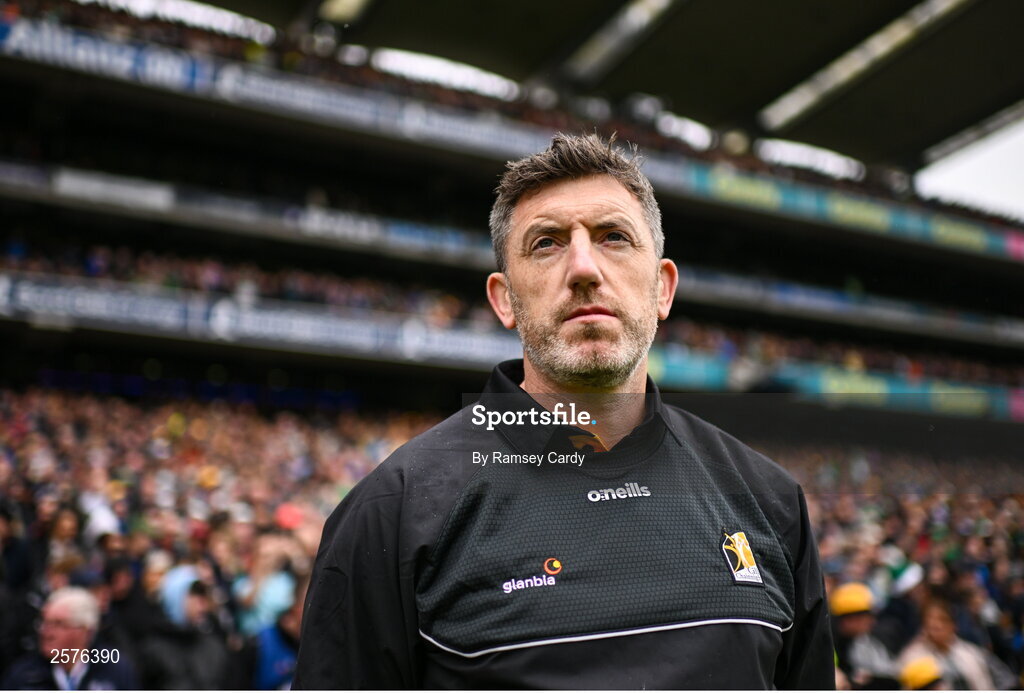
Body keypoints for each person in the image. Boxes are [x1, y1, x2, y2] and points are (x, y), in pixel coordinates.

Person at [293, 133, 835, 688]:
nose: (583, 268)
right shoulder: (393, 513)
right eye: (547, 243)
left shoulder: (770, 501)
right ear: (504, 299)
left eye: (614, 237)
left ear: (663, 289)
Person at [0, 586, 137, 690]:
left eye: (58, 624)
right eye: (44, 623)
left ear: (85, 631)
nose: (46, 632)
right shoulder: (24, 675)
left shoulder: (115, 671)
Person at [830, 582, 899, 688]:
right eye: (868, 616)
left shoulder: (862, 639)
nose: (873, 621)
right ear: (849, 619)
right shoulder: (828, 644)